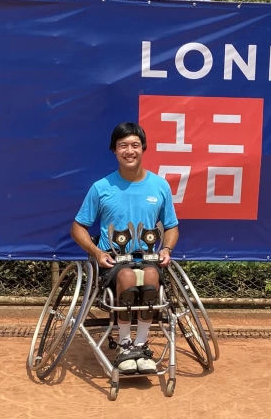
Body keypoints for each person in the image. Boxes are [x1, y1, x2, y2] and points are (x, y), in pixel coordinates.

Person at [70, 122, 179, 375]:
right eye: (123, 146)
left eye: (135, 145)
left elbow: (172, 226)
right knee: (128, 276)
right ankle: (125, 345)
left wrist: (167, 249)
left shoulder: (160, 186)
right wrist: (97, 252)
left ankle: (141, 346)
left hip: (149, 258)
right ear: (114, 150)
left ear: (144, 149)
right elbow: (78, 228)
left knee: (150, 276)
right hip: (115, 263)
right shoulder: (101, 187)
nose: (129, 151)